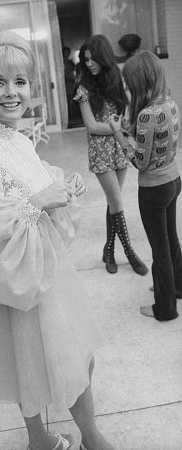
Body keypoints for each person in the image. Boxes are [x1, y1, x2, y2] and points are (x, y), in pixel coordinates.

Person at [0, 31, 115, 450]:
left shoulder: (15, 138)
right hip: (19, 283)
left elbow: (28, 184)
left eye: (19, 81)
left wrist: (59, 184)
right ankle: (78, 438)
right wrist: (38, 202)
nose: (12, 92)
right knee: (40, 367)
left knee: (60, 362)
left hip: (44, 271)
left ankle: (59, 438)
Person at [109, 50, 182, 321]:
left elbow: (140, 161)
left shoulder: (146, 115)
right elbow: (155, 141)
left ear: (140, 81)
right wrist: (128, 128)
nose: (127, 89)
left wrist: (118, 133)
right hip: (173, 181)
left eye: (129, 84)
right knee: (172, 240)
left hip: (153, 189)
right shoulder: (169, 103)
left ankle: (164, 308)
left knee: (159, 250)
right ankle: (177, 287)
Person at [74, 34, 148, 276]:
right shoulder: (83, 88)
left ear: (104, 57)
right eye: (85, 59)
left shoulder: (116, 81)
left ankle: (108, 250)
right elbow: (92, 126)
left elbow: (125, 116)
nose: (89, 64)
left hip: (119, 148)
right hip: (101, 151)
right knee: (117, 201)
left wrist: (124, 128)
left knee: (112, 202)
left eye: (92, 59)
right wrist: (120, 128)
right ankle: (129, 251)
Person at [63, 46, 76, 121]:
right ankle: (69, 116)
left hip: (71, 83)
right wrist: (68, 79)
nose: (67, 54)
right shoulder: (62, 61)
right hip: (67, 83)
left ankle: (72, 114)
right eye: (66, 52)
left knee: (71, 99)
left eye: (68, 52)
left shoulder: (69, 61)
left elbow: (73, 69)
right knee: (67, 100)